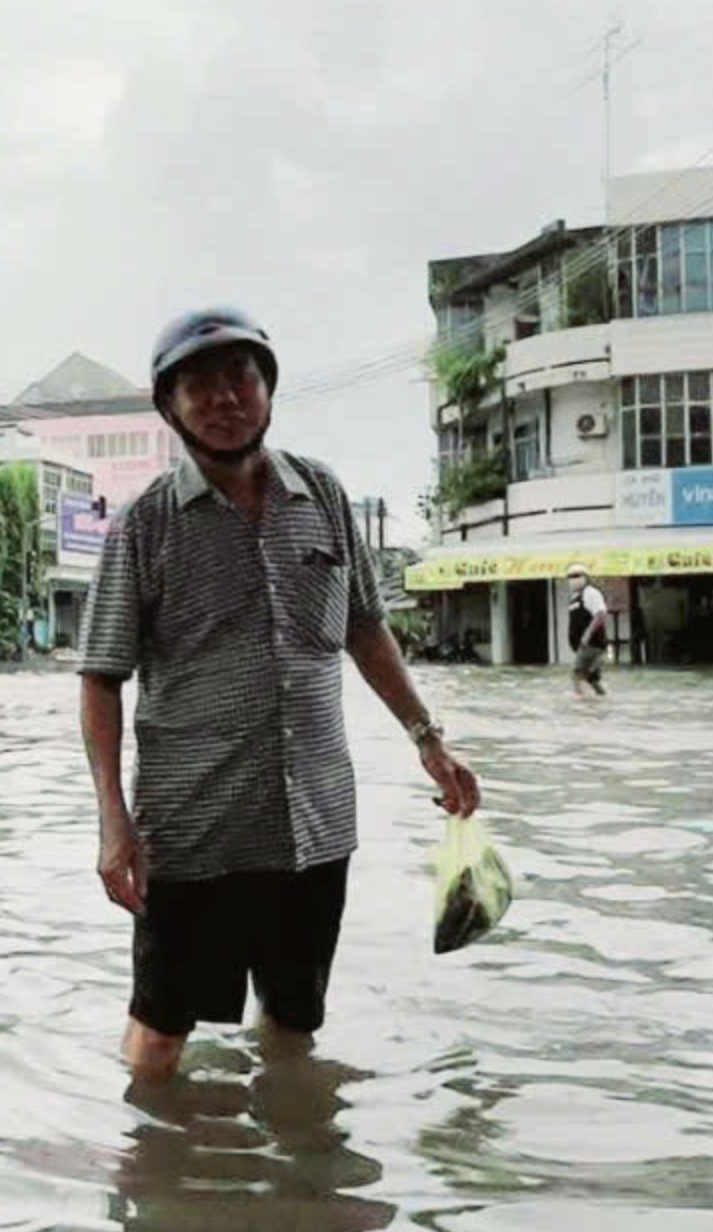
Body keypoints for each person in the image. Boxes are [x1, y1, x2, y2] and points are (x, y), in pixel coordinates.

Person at [78, 305, 481, 1091]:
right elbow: (100, 676)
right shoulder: (146, 527)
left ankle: (297, 1181)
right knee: (160, 1034)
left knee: (294, 1024)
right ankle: (160, 1179)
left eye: (242, 378)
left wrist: (428, 740)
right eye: (201, 386)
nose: (225, 399)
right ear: (170, 407)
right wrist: (112, 822)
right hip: (193, 830)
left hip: (314, 826)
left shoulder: (322, 495)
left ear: (268, 392)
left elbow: (365, 628)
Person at [564, 563, 609, 699]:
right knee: (591, 678)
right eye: (570, 576)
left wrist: (587, 634)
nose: (573, 579)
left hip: (591, 644)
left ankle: (581, 709)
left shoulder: (590, 592)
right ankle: (602, 699)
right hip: (585, 646)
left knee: (577, 675)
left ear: (585, 577)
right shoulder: (575, 597)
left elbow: (601, 614)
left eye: (577, 575)